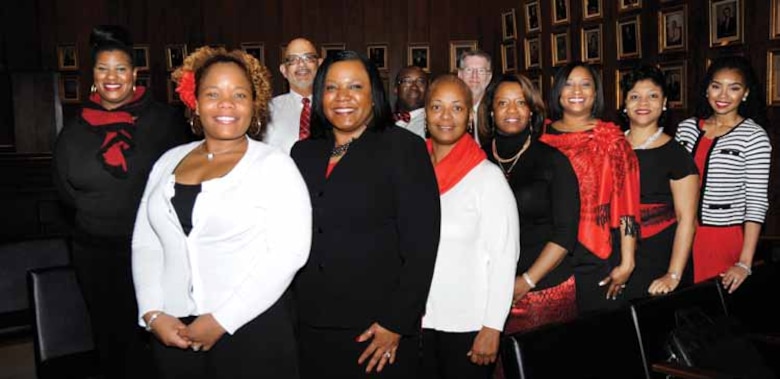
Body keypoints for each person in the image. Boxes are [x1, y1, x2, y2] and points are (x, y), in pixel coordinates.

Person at [132, 46, 311, 378]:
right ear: (195, 103)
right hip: (173, 332)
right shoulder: (167, 161)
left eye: (239, 94)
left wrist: (221, 320)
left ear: (254, 105)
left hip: (252, 331)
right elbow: (146, 244)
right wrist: (153, 313)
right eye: (213, 93)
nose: (226, 103)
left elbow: (290, 253)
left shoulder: (275, 166)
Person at [290, 50, 441, 378]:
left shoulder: (403, 149)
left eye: (355, 87)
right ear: (319, 96)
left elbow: (422, 247)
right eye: (331, 88)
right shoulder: (302, 153)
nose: (342, 97)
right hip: (310, 323)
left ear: (373, 95)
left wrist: (396, 322)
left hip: (377, 327)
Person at [52, 25, 188, 379]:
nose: (112, 77)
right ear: (93, 76)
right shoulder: (74, 128)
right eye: (103, 69)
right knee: (108, 338)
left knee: (151, 338)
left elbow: (182, 179)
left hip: (152, 250)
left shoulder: (165, 121)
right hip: (93, 254)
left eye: (121, 69)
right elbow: (65, 193)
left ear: (135, 74)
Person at [420, 75, 519, 378]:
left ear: (470, 116)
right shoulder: (413, 170)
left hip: (467, 325)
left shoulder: (487, 178)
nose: (446, 117)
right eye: (437, 107)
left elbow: (504, 257)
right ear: (426, 114)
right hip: (418, 322)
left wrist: (492, 326)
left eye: (457, 108)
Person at [479, 73, 579, 331]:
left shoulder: (553, 161)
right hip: (486, 291)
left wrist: (526, 281)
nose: (512, 110)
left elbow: (565, 235)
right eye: (502, 103)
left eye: (520, 102)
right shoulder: (478, 161)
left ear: (532, 112)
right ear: (490, 111)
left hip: (543, 289)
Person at [539, 62, 640, 314]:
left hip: (594, 254)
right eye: (569, 84)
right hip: (547, 250)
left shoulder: (612, 140)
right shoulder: (539, 136)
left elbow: (628, 205)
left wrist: (628, 261)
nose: (577, 91)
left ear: (595, 94)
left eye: (586, 85)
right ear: (558, 92)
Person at [675, 56, 771, 294]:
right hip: (677, 234)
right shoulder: (685, 128)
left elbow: (756, 202)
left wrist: (745, 263)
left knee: (713, 319)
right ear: (707, 88)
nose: (723, 95)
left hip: (722, 239)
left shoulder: (754, 137)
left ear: (746, 93)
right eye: (716, 86)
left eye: (734, 88)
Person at [619, 65, 699, 300]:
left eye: (652, 96)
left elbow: (688, 220)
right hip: (613, 253)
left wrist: (672, 274)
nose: (643, 103)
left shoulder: (676, 154)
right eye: (634, 96)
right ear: (624, 104)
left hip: (658, 258)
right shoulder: (610, 146)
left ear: (664, 102)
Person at [264, 37, 322, 153]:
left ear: (320, 65)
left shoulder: (337, 108)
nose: (301, 64)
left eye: (308, 58)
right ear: (284, 70)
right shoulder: (267, 111)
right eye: (293, 60)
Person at [457, 50, 493, 143]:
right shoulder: (449, 111)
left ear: (489, 77)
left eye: (481, 71)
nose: (474, 76)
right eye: (469, 70)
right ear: (460, 75)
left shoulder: (496, 110)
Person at [393, 65, 428, 138]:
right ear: (396, 89)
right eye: (406, 81)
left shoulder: (431, 125)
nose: (414, 86)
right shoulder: (384, 122)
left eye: (421, 81)